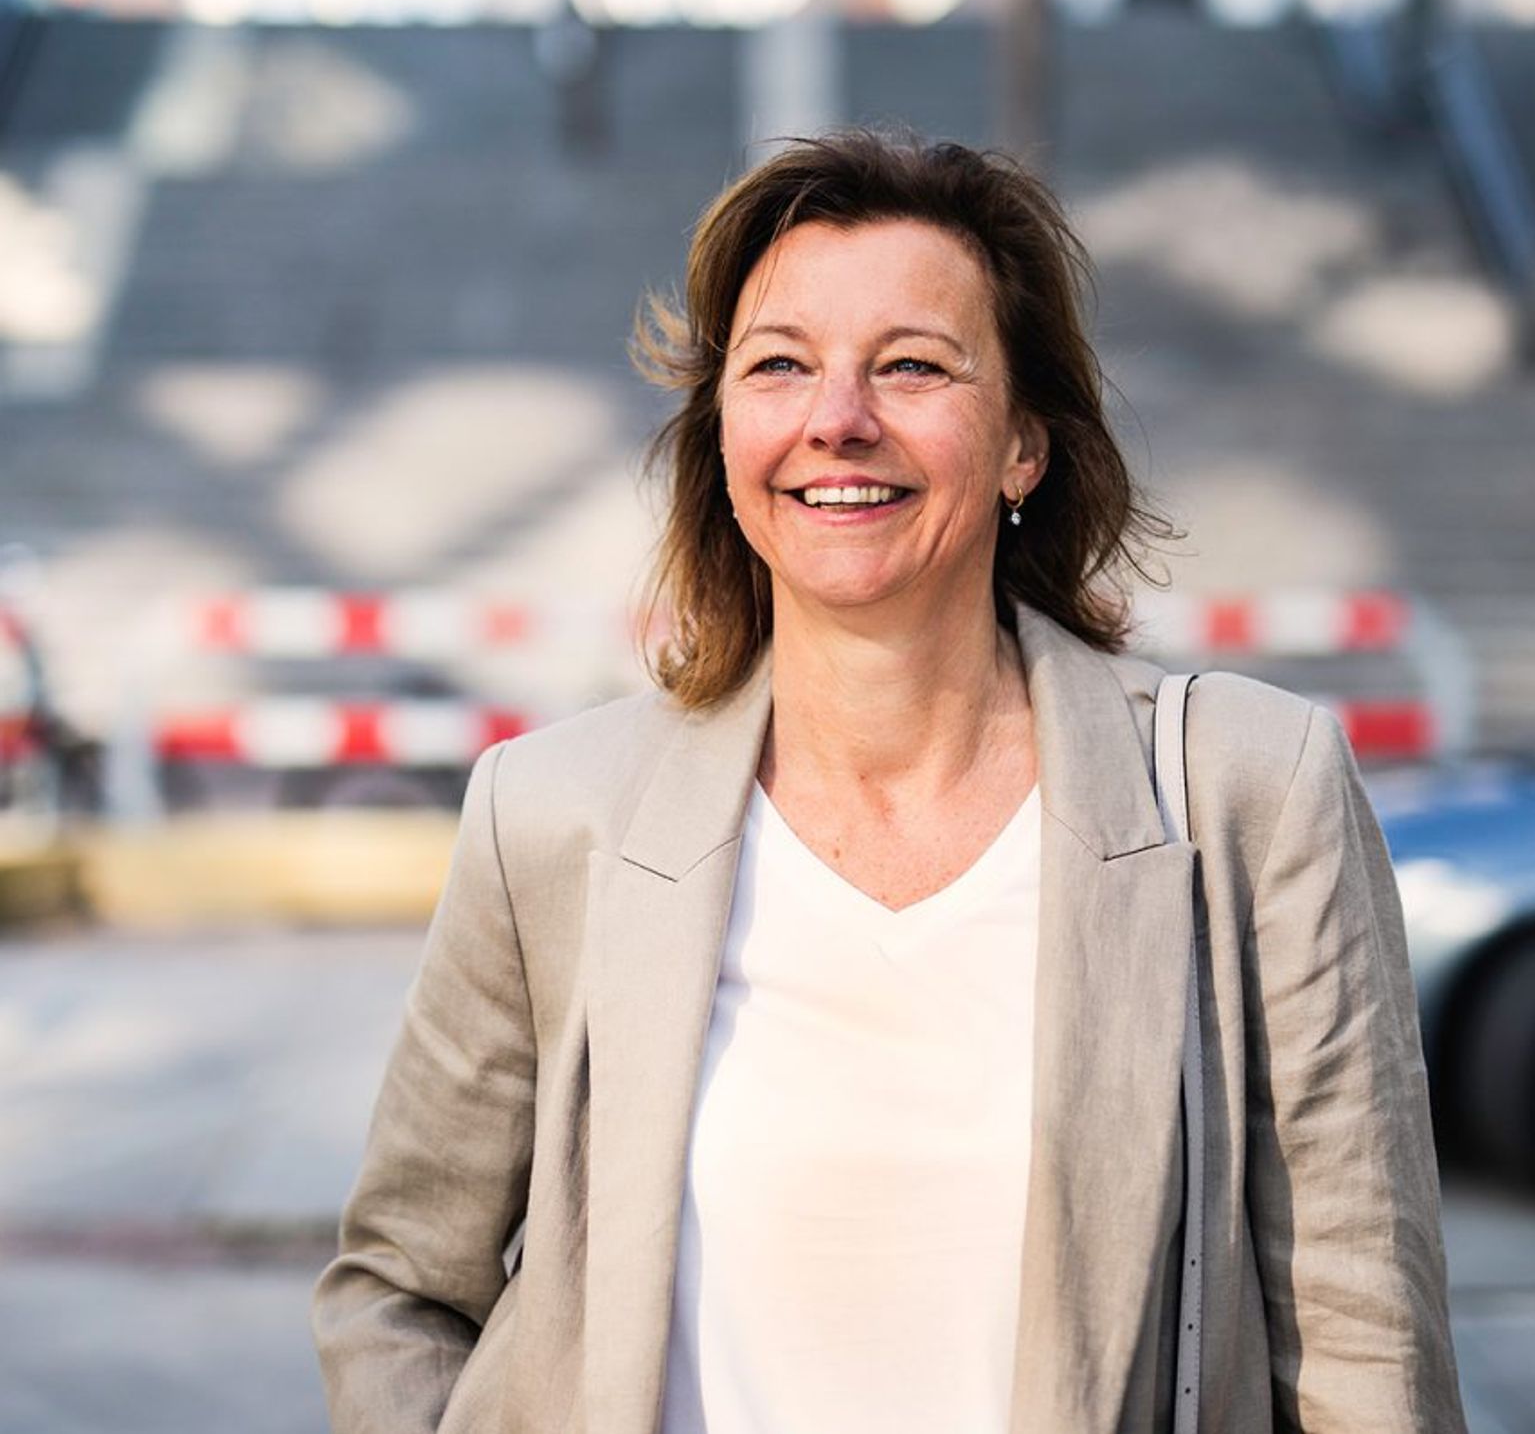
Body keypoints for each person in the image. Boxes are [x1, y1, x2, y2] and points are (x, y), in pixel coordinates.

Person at [313, 130, 1466, 1433]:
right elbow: (400, 1289)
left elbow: (1366, 1351)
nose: (838, 419)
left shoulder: (1249, 795)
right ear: (727, 434)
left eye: (912, 365)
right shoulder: (554, 816)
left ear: (1025, 443)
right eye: (781, 366)